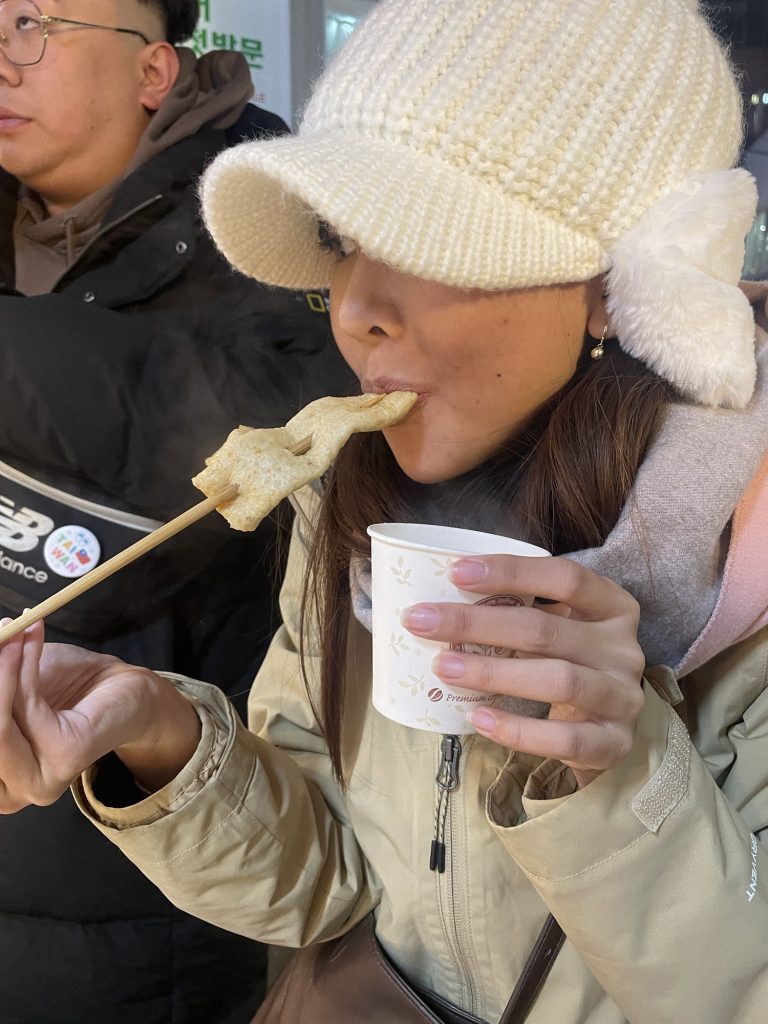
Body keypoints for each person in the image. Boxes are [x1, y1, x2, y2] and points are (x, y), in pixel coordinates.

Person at [1, 1, 768, 1021]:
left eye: (432, 239)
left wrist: (616, 776)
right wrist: (156, 730)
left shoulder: (746, 554)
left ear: (620, 282)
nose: (355, 308)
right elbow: (326, 884)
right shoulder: (348, 502)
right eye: (342, 238)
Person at [0, 1, 348, 1022]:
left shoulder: (268, 217)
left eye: (31, 27)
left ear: (152, 70)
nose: (2, 62)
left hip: (144, 867)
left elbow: (276, 421)